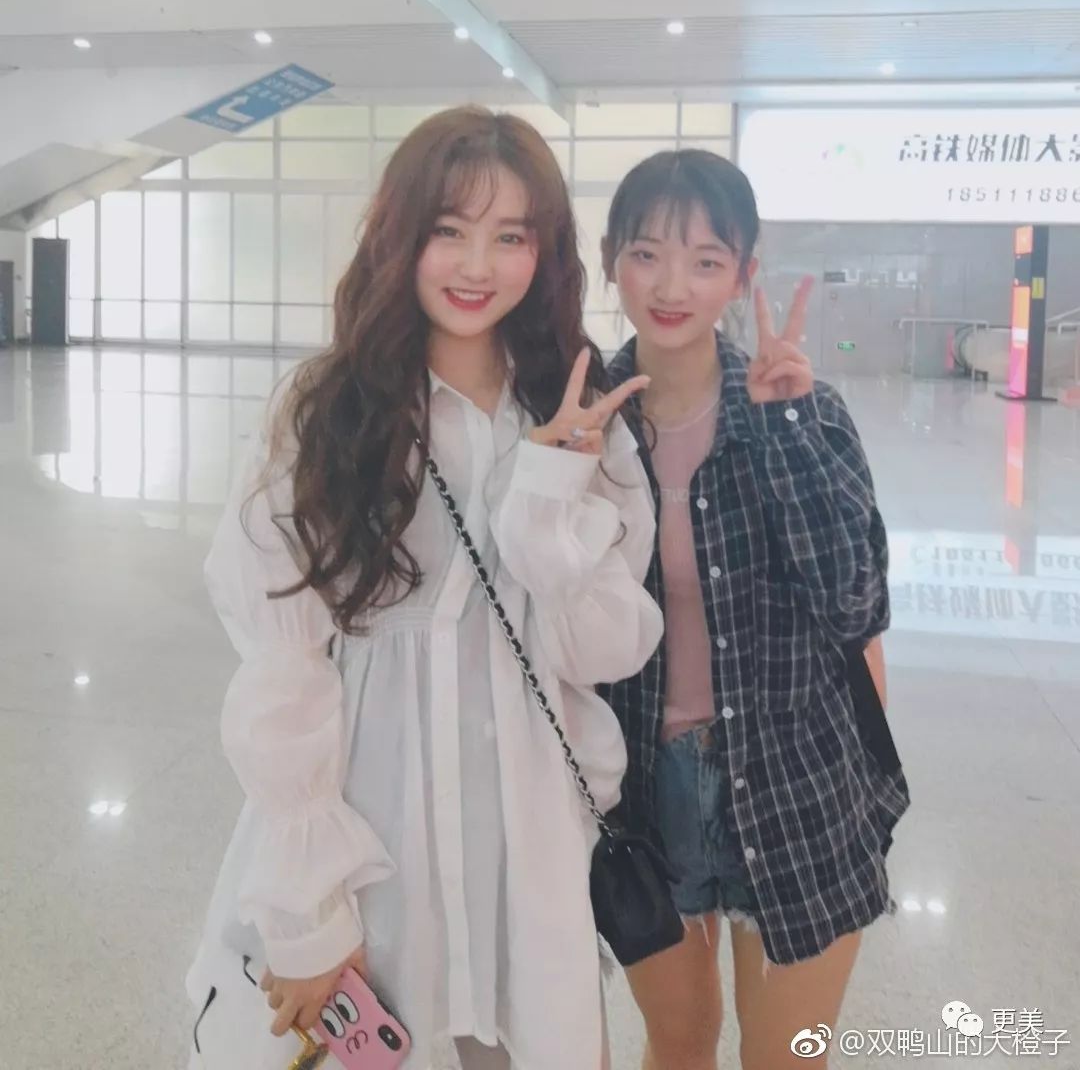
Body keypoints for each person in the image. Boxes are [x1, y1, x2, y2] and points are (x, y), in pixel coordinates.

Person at [186, 106, 662, 1070]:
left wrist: (549, 502)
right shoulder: (325, 410)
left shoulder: (574, 415)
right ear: (400, 235)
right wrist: (310, 907)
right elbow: (283, 659)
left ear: (545, 252)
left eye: (511, 236)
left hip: (527, 824)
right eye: (449, 230)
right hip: (374, 814)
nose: (477, 265)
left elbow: (604, 652)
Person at [600, 150, 910, 1070]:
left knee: (787, 1056)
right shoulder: (584, 421)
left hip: (794, 781)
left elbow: (855, 604)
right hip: (642, 793)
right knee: (679, 1042)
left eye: (705, 260)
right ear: (611, 258)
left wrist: (786, 434)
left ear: (744, 273)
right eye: (647, 254)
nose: (672, 287)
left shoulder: (806, 412)